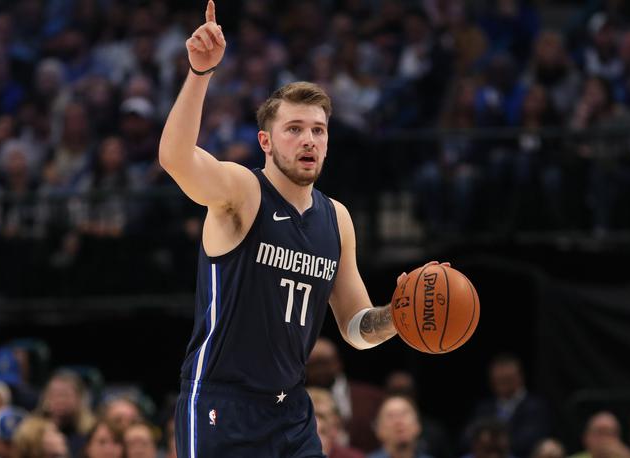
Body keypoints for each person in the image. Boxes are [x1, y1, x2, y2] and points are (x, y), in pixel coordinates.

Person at [158, 1, 446, 456]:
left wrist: (398, 316)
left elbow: (354, 327)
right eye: (294, 129)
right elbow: (176, 158)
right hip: (221, 403)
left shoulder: (338, 219)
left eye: (318, 130)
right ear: (266, 142)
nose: (309, 139)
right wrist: (199, 74)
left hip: (291, 408)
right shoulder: (242, 191)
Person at [463, 354, 550, 458]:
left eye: (506, 380)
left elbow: (532, 441)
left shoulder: (535, 406)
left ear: (519, 377)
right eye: (498, 380)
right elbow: (466, 438)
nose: (501, 385)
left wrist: (493, 442)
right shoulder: (484, 408)